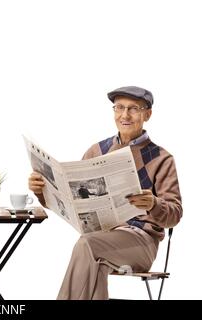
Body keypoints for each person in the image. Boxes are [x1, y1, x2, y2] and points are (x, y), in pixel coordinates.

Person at [28, 85, 182, 299]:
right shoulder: (96, 151)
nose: (124, 115)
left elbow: (175, 214)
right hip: (102, 238)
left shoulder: (161, 158)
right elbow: (73, 201)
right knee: (93, 262)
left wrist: (153, 204)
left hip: (141, 242)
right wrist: (42, 191)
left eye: (133, 108)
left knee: (88, 246)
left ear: (147, 114)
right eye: (119, 107)